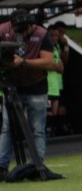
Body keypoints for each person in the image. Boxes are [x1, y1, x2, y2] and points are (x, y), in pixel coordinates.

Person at [0, 10, 56, 181]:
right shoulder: (3, 30)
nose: (23, 34)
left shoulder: (42, 34)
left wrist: (23, 62)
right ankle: (1, 166)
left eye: (26, 30)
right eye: (19, 30)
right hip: (12, 86)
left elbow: (48, 62)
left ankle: (38, 166)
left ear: (31, 25)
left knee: (37, 128)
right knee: (7, 127)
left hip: (36, 86)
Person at [46, 21, 73, 138]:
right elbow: (49, 64)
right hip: (47, 85)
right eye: (52, 35)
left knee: (59, 112)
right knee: (49, 112)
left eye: (57, 35)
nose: (55, 37)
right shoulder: (45, 48)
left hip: (57, 85)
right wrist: (55, 66)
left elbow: (63, 65)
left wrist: (66, 45)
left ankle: (60, 134)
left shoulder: (57, 47)